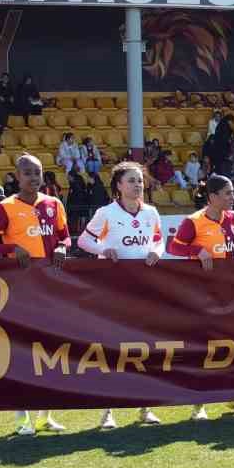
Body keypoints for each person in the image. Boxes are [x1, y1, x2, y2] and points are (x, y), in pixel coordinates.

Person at [0, 155, 70, 436]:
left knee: (49, 351)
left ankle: (45, 416)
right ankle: (21, 419)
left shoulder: (54, 204)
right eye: (27, 173)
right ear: (17, 176)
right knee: (20, 352)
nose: (33, 177)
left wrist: (63, 247)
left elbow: (65, 236)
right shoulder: (5, 207)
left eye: (37, 173)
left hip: (49, 289)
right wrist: (11, 249)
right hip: (18, 290)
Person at [76, 162, 168, 427]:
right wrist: (103, 250)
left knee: (144, 347)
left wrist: (156, 251)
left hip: (145, 290)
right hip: (114, 290)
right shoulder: (106, 212)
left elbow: (159, 239)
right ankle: (107, 412)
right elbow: (84, 241)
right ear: (118, 185)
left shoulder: (151, 212)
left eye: (139, 180)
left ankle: (145, 407)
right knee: (112, 348)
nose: (137, 185)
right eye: (131, 180)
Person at [164, 174, 234, 418]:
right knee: (203, 347)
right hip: (201, 293)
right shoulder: (193, 221)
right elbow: (172, 247)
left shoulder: (233, 217)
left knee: (231, 345)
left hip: (228, 292)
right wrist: (197, 250)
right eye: (228, 193)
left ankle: (233, 399)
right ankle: (199, 405)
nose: (233, 196)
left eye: (233, 192)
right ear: (213, 197)